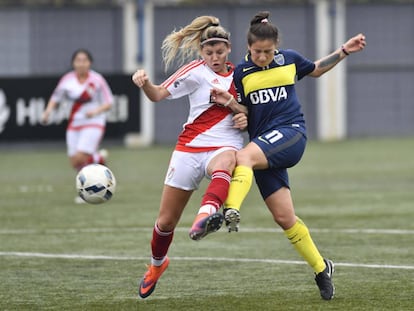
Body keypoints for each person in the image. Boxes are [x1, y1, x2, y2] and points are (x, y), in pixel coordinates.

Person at [210, 11, 366, 300]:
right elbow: (246, 111)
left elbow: (317, 69)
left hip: (291, 133)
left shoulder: (289, 59)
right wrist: (235, 109)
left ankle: (229, 209)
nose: (263, 57)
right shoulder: (241, 73)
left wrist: (344, 50)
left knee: (242, 158)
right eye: (257, 52)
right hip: (263, 146)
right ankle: (322, 268)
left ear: (277, 45)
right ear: (248, 48)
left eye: (268, 51)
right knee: (284, 217)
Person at [132, 16, 247, 299]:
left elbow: (252, 109)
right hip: (188, 149)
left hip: (224, 144)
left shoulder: (243, 74)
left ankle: (204, 217)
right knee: (166, 222)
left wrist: (242, 114)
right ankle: (157, 266)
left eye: (220, 52)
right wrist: (144, 83)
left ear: (229, 49)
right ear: (201, 52)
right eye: (209, 53)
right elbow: (158, 95)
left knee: (226, 163)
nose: (215, 57)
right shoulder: (195, 71)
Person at [42, 49, 114, 203]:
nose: (81, 63)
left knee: (82, 157)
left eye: (84, 60)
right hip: (75, 123)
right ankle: (99, 157)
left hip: (94, 122)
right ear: (73, 63)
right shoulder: (67, 80)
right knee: (75, 162)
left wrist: (95, 111)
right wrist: (47, 111)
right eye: (78, 60)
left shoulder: (97, 80)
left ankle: (90, 191)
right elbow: (56, 97)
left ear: (90, 63)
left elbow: (109, 102)